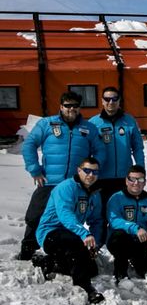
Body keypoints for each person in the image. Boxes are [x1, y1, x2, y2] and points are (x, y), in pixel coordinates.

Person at [19, 91, 105, 260]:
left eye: (75, 106)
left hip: (75, 184)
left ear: (79, 107)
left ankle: (64, 251)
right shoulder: (47, 124)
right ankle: (27, 250)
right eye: (67, 105)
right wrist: (35, 170)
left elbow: (100, 151)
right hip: (50, 181)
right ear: (61, 106)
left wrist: (91, 171)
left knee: (70, 217)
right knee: (36, 215)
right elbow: (29, 145)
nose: (71, 109)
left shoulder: (89, 128)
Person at [33, 156, 105, 304]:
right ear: (79, 170)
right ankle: (85, 288)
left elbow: (96, 221)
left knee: (92, 269)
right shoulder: (66, 188)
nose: (91, 175)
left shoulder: (95, 193)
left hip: (72, 235)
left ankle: (49, 262)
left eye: (95, 172)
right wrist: (84, 234)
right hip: (50, 233)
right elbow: (65, 215)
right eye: (87, 171)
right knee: (75, 245)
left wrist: (95, 244)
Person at [106, 165, 147, 283]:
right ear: (126, 180)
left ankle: (140, 264)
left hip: (140, 241)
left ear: (145, 182)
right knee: (119, 237)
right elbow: (114, 220)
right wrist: (135, 228)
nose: (136, 183)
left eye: (140, 179)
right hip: (120, 240)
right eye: (132, 179)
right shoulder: (116, 198)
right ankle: (120, 272)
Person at [89, 86, 145, 221]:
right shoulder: (93, 123)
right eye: (107, 99)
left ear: (119, 101)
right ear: (102, 101)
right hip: (101, 177)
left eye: (114, 99)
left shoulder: (129, 121)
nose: (111, 102)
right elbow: (87, 151)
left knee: (126, 213)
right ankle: (101, 235)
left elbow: (138, 147)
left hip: (124, 177)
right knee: (100, 215)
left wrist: (140, 168)